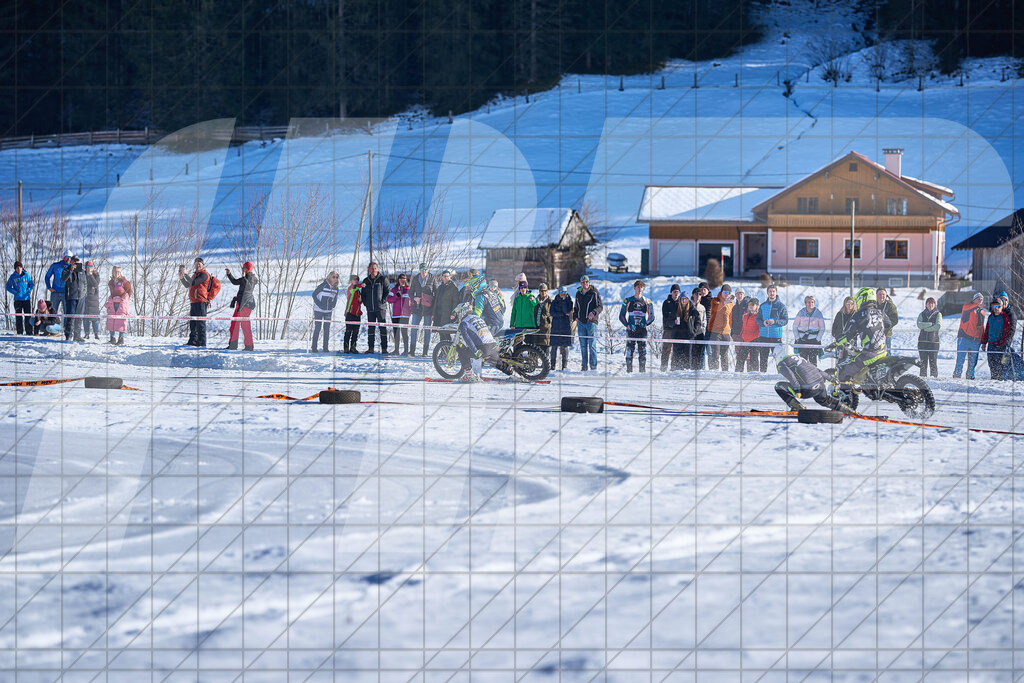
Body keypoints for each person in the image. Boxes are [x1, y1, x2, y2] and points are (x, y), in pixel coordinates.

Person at [832, 287, 888, 384]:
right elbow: (888, 324)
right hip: (883, 351)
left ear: (862, 298)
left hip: (870, 354)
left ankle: (846, 398)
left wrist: (837, 341)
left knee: (844, 372)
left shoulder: (859, 315)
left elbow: (848, 334)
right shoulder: (880, 312)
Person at [450, 303, 514, 382]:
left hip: (484, 347)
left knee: (462, 353)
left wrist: (475, 351)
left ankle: (469, 375)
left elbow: (467, 339)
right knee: (496, 362)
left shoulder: (464, 323)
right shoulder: (478, 317)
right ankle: (512, 372)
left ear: (462, 312)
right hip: (493, 344)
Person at [773, 343, 842, 411]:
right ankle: (845, 409)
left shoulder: (782, 364)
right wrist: (831, 379)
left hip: (807, 389)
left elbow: (791, 376)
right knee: (824, 400)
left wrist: (797, 389)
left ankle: (797, 407)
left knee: (778, 386)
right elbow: (818, 370)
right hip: (820, 385)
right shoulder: (801, 358)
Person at [178, 257, 215, 347]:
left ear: (202, 265)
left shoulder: (204, 274)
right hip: (194, 302)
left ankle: (202, 343)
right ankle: (193, 341)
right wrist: (182, 277)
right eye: (196, 263)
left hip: (201, 302)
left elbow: (194, 283)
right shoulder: (195, 275)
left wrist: (186, 274)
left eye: (199, 263)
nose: (198, 265)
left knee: (201, 324)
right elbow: (187, 285)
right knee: (193, 323)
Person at [619, 280, 654, 373]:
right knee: (629, 351)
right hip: (631, 330)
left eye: (641, 287)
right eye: (638, 287)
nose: (639, 289)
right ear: (634, 288)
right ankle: (629, 372)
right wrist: (627, 325)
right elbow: (621, 315)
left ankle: (642, 373)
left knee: (642, 352)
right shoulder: (628, 300)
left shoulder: (647, 301)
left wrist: (646, 323)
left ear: (643, 288)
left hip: (642, 330)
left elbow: (652, 316)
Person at [953, 292, 987, 379]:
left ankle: (970, 376)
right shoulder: (967, 306)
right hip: (964, 337)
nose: (980, 300)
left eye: (981, 299)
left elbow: (982, 326)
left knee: (973, 361)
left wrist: (983, 340)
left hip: (975, 339)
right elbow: (968, 308)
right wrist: (977, 306)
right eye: (978, 298)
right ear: (974, 299)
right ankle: (957, 375)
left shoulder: (982, 312)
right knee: (960, 359)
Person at [662, 285, 696, 371]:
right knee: (666, 350)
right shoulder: (666, 303)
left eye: (677, 292)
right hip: (668, 330)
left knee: (677, 351)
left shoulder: (681, 302)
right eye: (674, 292)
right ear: (671, 292)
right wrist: (672, 323)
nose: (676, 294)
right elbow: (665, 319)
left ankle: (676, 368)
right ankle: (663, 368)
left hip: (678, 331)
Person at [572, 275, 602, 371]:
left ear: (589, 282)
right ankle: (584, 367)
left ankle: (593, 367)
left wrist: (593, 313)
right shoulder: (578, 293)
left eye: (586, 282)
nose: (585, 284)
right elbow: (576, 307)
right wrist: (575, 316)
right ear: (581, 283)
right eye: (583, 282)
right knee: (583, 346)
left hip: (591, 323)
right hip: (581, 322)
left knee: (592, 345)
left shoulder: (594, 292)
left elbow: (600, 306)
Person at [225, 262, 257, 350]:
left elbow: (248, 287)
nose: (242, 268)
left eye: (244, 267)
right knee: (234, 324)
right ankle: (233, 345)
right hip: (240, 304)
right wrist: (229, 274)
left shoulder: (252, 278)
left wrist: (243, 277)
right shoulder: (245, 277)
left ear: (248, 269)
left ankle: (249, 346)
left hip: (246, 304)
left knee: (245, 326)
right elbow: (235, 282)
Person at [755, 284, 788, 372]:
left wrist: (775, 321)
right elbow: (757, 319)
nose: (772, 293)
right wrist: (763, 323)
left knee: (778, 359)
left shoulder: (781, 306)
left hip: (776, 336)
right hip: (763, 336)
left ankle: (780, 375)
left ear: (776, 293)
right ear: (767, 293)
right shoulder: (762, 306)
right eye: (770, 291)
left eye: (773, 291)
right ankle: (762, 375)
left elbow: (785, 320)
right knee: (763, 358)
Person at [361, 262, 389, 354]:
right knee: (371, 329)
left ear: (377, 269)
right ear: (369, 269)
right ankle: (371, 348)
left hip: (381, 308)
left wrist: (382, 301)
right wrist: (366, 304)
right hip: (370, 309)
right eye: (372, 268)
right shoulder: (366, 281)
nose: (374, 270)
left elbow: (387, 291)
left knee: (382, 328)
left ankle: (384, 348)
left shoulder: (382, 279)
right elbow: (363, 294)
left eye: (375, 268)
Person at [982, 298, 1014, 380]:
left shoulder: (1004, 317)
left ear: (1002, 307)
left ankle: (999, 379)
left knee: (999, 364)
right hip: (991, 344)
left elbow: (1007, 332)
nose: (996, 308)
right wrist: (984, 343)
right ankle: (993, 378)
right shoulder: (990, 317)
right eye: (994, 306)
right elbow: (987, 330)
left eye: (998, 306)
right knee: (991, 363)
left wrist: (1002, 343)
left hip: (1000, 345)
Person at [409, 263, 435, 356]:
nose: (423, 272)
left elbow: (436, 294)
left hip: (428, 308)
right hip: (417, 308)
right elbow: (410, 293)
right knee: (413, 329)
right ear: (419, 270)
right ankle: (412, 351)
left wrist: (434, 310)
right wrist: (414, 298)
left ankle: (425, 352)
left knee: (427, 330)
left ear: (428, 270)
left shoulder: (432, 278)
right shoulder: (416, 279)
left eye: (425, 270)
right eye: (422, 270)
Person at [706, 284, 734, 370]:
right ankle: (714, 371)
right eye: (725, 292)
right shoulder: (715, 300)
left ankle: (725, 372)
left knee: (724, 354)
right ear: (721, 292)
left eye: (729, 293)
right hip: (715, 331)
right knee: (715, 353)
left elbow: (731, 318)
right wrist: (724, 303)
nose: (727, 294)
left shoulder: (731, 303)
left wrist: (732, 329)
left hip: (726, 332)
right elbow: (716, 309)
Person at [311, 271, 340, 353]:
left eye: (337, 277)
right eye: (333, 277)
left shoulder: (336, 288)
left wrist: (333, 305)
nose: (335, 279)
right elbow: (314, 295)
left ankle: (325, 347)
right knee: (317, 328)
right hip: (318, 310)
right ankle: (314, 347)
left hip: (328, 311)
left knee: (327, 329)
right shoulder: (323, 286)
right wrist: (320, 305)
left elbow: (335, 298)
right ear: (330, 277)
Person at [793, 295, 825, 366]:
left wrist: (818, 338)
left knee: (813, 361)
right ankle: (802, 376)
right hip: (802, 340)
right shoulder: (801, 312)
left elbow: (822, 328)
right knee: (802, 361)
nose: (811, 304)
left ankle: (814, 376)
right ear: (805, 303)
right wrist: (797, 338)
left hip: (814, 340)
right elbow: (795, 326)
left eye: (812, 302)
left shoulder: (818, 313)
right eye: (809, 302)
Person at [61, 256, 86, 342]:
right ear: (71, 262)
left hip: (81, 297)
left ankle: (77, 335)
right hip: (71, 297)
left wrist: (84, 293)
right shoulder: (66, 270)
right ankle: (68, 335)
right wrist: (71, 270)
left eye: (77, 261)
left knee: (79, 317)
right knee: (70, 317)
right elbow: (63, 279)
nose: (76, 263)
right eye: (74, 261)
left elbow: (85, 283)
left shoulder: (82, 271)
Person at [549, 286, 574, 371]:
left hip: (565, 326)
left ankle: (564, 366)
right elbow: (551, 312)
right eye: (561, 292)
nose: (563, 293)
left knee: (564, 346)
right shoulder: (554, 301)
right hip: (555, 326)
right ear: (558, 292)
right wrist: (561, 314)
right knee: (554, 346)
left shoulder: (569, 301)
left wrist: (563, 302)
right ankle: (552, 365)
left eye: (564, 292)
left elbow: (567, 311)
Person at [387, 273, 412, 355]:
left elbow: (412, 302)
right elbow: (389, 300)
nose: (402, 280)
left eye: (404, 278)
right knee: (396, 333)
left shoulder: (409, 289)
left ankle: (405, 350)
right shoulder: (394, 289)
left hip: (405, 315)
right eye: (400, 279)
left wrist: (410, 311)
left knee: (405, 333)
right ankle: (396, 350)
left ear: (406, 280)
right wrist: (396, 296)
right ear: (398, 280)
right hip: (396, 315)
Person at [916, 297, 941, 377]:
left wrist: (925, 328)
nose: (931, 305)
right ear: (926, 304)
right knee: (923, 363)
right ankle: (923, 379)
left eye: (932, 303)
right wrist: (930, 324)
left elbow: (938, 326)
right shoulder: (922, 314)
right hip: (922, 342)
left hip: (934, 342)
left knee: (933, 362)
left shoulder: (938, 314)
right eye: (929, 303)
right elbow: (919, 324)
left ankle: (934, 379)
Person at [433, 270, 461, 343]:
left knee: (446, 333)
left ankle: (448, 351)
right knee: (441, 333)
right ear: (442, 277)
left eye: (447, 276)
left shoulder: (453, 287)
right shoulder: (440, 287)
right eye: (444, 276)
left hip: (447, 314)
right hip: (439, 313)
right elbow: (436, 301)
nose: (446, 278)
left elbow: (456, 302)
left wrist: (453, 313)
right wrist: (433, 313)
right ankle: (443, 350)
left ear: (450, 277)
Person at [6, 261, 33, 335]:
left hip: (26, 299)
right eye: (17, 268)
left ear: (22, 267)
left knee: (28, 316)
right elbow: (8, 287)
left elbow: (31, 284)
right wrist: (15, 292)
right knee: (18, 317)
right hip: (17, 300)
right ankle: (19, 332)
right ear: (15, 269)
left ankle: (29, 332)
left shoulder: (26, 275)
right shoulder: (13, 276)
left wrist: (28, 290)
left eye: (20, 267)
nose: (19, 269)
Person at [44, 250, 72, 316]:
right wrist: (49, 287)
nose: (68, 259)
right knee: (53, 312)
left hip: (66, 293)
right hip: (55, 292)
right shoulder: (55, 265)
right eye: (67, 257)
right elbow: (47, 277)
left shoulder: (72, 267)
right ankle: (53, 325)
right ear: (64, 257)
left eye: (70, 257)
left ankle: (66, 326)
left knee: (67, 313)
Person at [737, 298, 761, 372]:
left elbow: (760, 328)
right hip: (745, 339)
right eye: (749, 304)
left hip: (755, 340)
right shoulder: (745, 315)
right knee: (740, 359)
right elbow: (743, 327)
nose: (750, 306)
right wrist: (741, 335)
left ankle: (755, 374)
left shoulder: (759, 316)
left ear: (757, 306)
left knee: (754, 359)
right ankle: (737, 373)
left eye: (752, 304)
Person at [530, 283, 552, 354]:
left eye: (545, 291)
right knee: (535, 348)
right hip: (536, 327)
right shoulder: (535, 301)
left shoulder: (550, 302)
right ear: (539, 291)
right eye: (542, 291)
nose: (543, 292)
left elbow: (553, 314)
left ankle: (544, 365)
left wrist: (549, 320)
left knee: (545, 348)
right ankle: (533, 364)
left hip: (545, 328)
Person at [342, 274, 362, 353]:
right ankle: (346, 347)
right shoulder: (351, 288)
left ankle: (353, 347)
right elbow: (354, 288)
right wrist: (361, 285)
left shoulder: (358, 291)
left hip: (357, 314)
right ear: (351, 281)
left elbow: (359, 302)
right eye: (354, 280)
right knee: (348, 331)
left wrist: (360, 300)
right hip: (350, 313)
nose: (356, 281)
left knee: (355, 332)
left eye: (357, 280)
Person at [689, 287, 707, 370]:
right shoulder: (688, 305)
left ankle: (698, 369)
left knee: (699, 353)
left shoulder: (702, 308)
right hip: (690, 332)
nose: (698, 296)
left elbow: (704, 321)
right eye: (696, 294)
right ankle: (690, 369)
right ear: (693, 295)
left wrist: (702, 330)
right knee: (690, 352)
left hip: (699, 333)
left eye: (700, 294)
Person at [82, 262, 101, 340]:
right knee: (85, 318)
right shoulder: (82, 274)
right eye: (87, 266)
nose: (89, 268)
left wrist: (90, 275)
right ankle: (86, 334)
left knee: (94, 318)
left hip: (93, 299)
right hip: (85, 298)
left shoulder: (96, 274)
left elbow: (95, 284)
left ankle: (96, 334)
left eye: (90, 266)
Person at [877, 287, 898, 353]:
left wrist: (884, 326)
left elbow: (895, 320)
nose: (881, 296)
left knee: (886, 352)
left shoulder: (890, 305)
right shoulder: (873, 305)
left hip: (886, 334)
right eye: (879, 294)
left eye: (883, 294)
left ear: (886, 295)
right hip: (874, 335)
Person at [730, 289, 747, 371]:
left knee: (748, 356)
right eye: (737, 294)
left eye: (741, 294)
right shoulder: (734, 307)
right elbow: (732, 321)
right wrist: (733, 332)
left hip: (746, 334)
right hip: (737, 334)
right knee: (739, 354)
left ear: (744, 295)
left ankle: (751, 373)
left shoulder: (747, 305)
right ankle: (738, 372)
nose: (739, 296)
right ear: (735, 295)